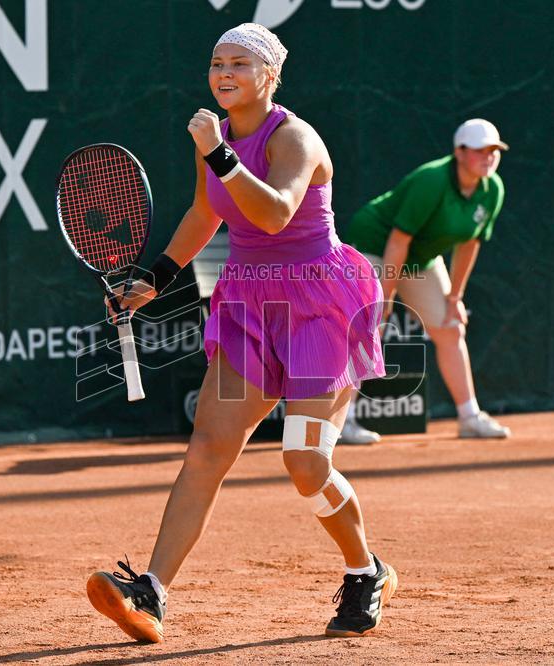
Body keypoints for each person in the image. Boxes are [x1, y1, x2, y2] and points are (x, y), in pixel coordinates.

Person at [85, 24, 397, 643]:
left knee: (305, 461)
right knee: (207, 449)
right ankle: (151, 592)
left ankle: (367, 570)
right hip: (250, 304)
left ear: (269, 76)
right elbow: (207, 211)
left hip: (320, 307)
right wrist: (158, 277)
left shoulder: (295, 137)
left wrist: (217, 153)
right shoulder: (217, 137)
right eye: (215, 63)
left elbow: (275, 213)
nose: (223, 74)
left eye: (239, 64)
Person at [343, 119, 512, 440]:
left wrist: (454, 298)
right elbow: (398, 240)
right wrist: (386, 296)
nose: (489, 157)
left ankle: (469, 417)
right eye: (480, 151)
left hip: (421, 258)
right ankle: (342, 422)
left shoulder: (493, 190)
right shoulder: (431, 180)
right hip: (375, 245)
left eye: (494, 151)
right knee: (369, 326)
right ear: (460, 153)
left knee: (450, 327)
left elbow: (469, 244)